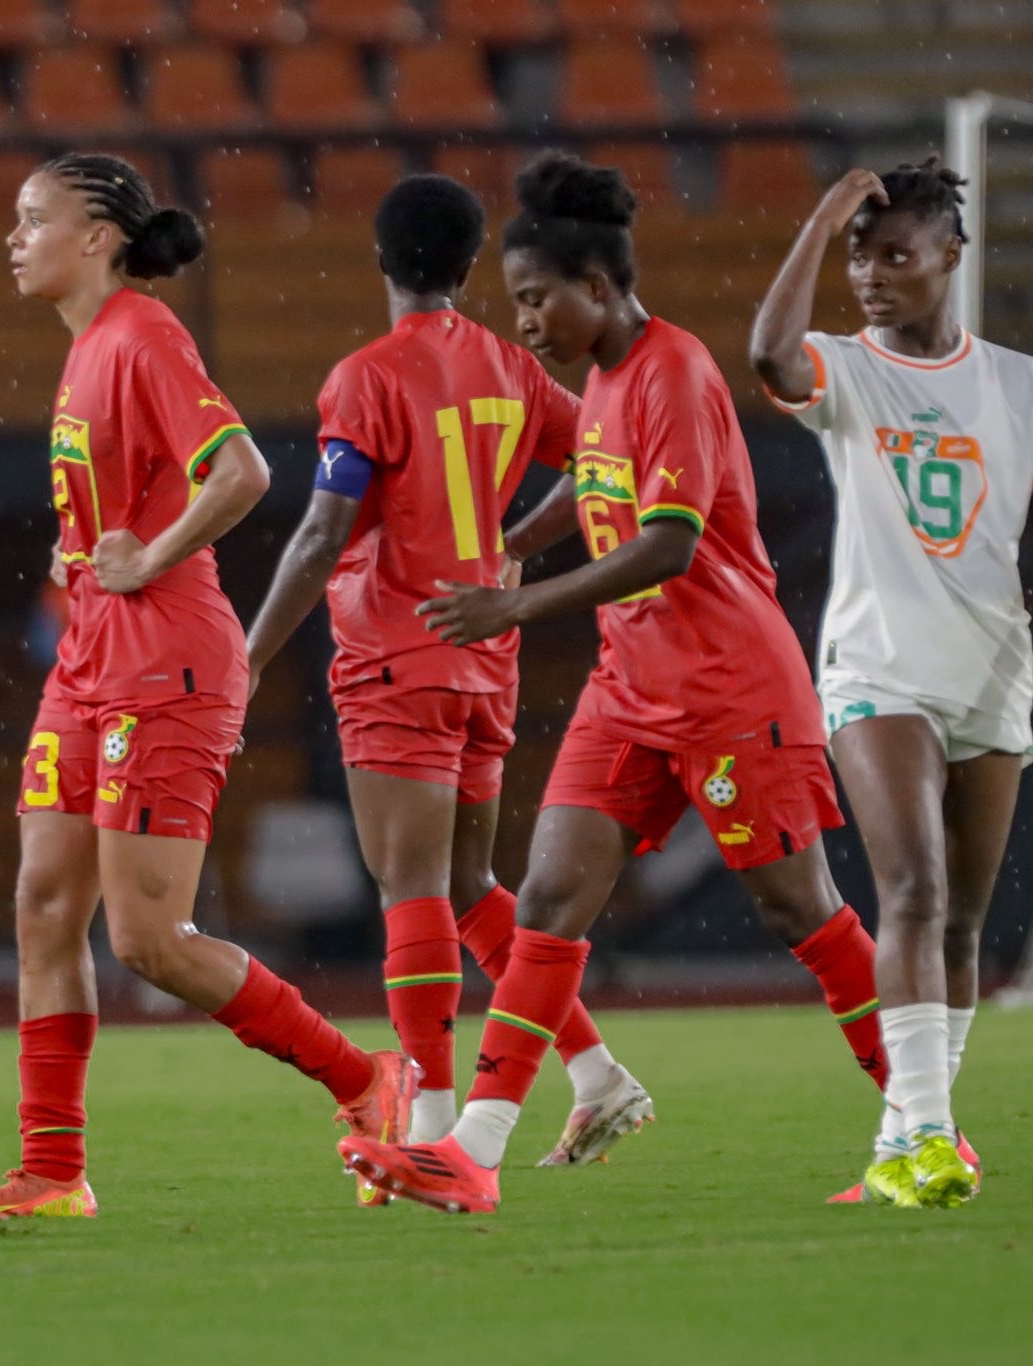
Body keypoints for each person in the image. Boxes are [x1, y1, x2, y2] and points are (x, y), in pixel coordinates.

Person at [338, 152, 886, 1214]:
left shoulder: (673, 372)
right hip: (628, 684)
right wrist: (510, 543)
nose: (524, 321)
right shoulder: (601, 380)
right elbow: (590, 485)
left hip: (727, 685)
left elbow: (668, 543)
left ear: (596, 286)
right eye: (515, 300)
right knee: (546, 896)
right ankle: (473, 1154)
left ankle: (922, 1121)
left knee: (799, 909)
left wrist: (516, 605)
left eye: (536, 299)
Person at [0, 153, 416, 1222]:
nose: (13, 238)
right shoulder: (86, 349)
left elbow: (242, 471)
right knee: (44, 909)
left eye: (33, 219)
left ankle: (363, 1076)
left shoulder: (143, 335)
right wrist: (83, 556)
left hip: (165, 663)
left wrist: (148, 557)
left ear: (99, 236)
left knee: (149, 940)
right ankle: (52, 1172)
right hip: (89, 662)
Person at [244, 173, 650, 1195]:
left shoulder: (366, 378)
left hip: (398, 650)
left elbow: (322, 534)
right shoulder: (510, 366)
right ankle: (595, 1072)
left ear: (379, 259)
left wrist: (246, 660)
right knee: (469, 886)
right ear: (472, 267)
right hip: (482, 656)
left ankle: (427, 1118)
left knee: (411, 889)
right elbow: (605, 454)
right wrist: (515, 544)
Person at [750, 158, 1033, 1207]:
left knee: (962, 920)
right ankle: (928, 1129)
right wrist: (825, 209)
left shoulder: (1019, 383)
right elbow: (768, 353)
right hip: (877, 668)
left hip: (990, 672)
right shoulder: (843, 368)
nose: (869, 277)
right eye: (858, 258)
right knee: (914, 890)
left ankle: (904, 1134)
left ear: (950, 257)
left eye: (894, 256)